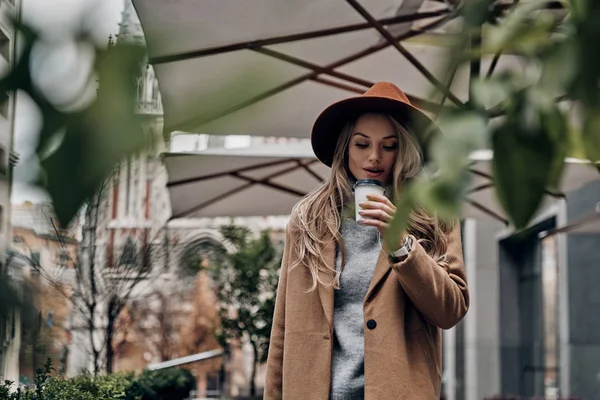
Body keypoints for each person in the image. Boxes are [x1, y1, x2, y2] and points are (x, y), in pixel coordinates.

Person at [264, 82, 469, 400]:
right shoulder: (308, 220)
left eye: (389, 146)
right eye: (362, 144)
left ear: (405, 150)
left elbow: (450, 310)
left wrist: (400, 243)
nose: (374, 157)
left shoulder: (433, 215)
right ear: (345, 148)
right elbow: (283, 328)